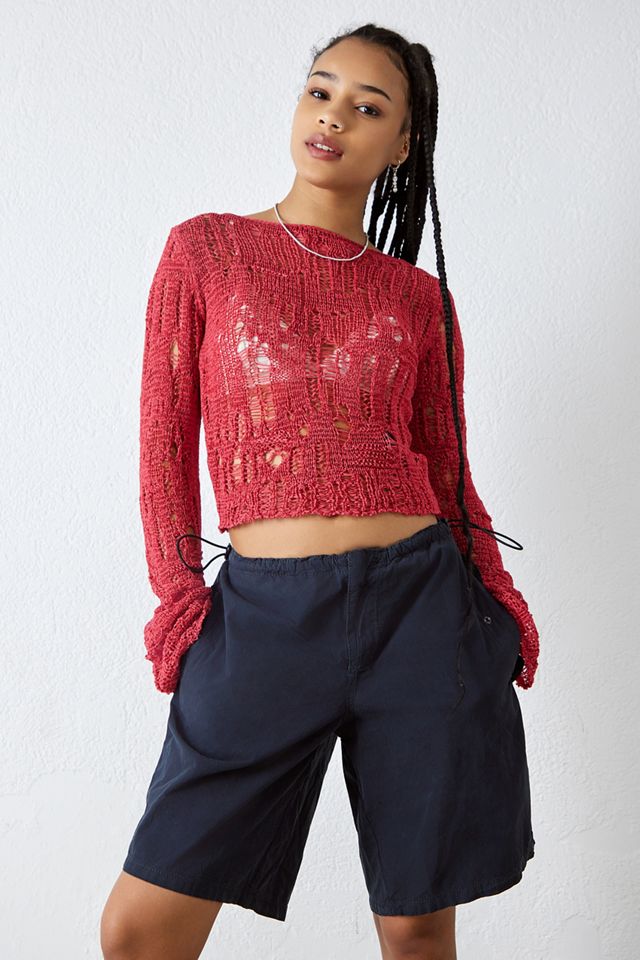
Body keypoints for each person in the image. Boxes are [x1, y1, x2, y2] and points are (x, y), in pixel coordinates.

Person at [100, 22, 539, 960]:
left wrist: (500, 602)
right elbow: (162, 443)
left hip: (423, 612)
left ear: (403, 143)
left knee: (416, 927)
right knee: (139, 932)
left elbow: (448, 470)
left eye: (368, 107)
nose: (334, 117)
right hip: (261, 620)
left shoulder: (419, 299)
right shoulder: (207, 251)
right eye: (321, 90)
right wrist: (181, 602)